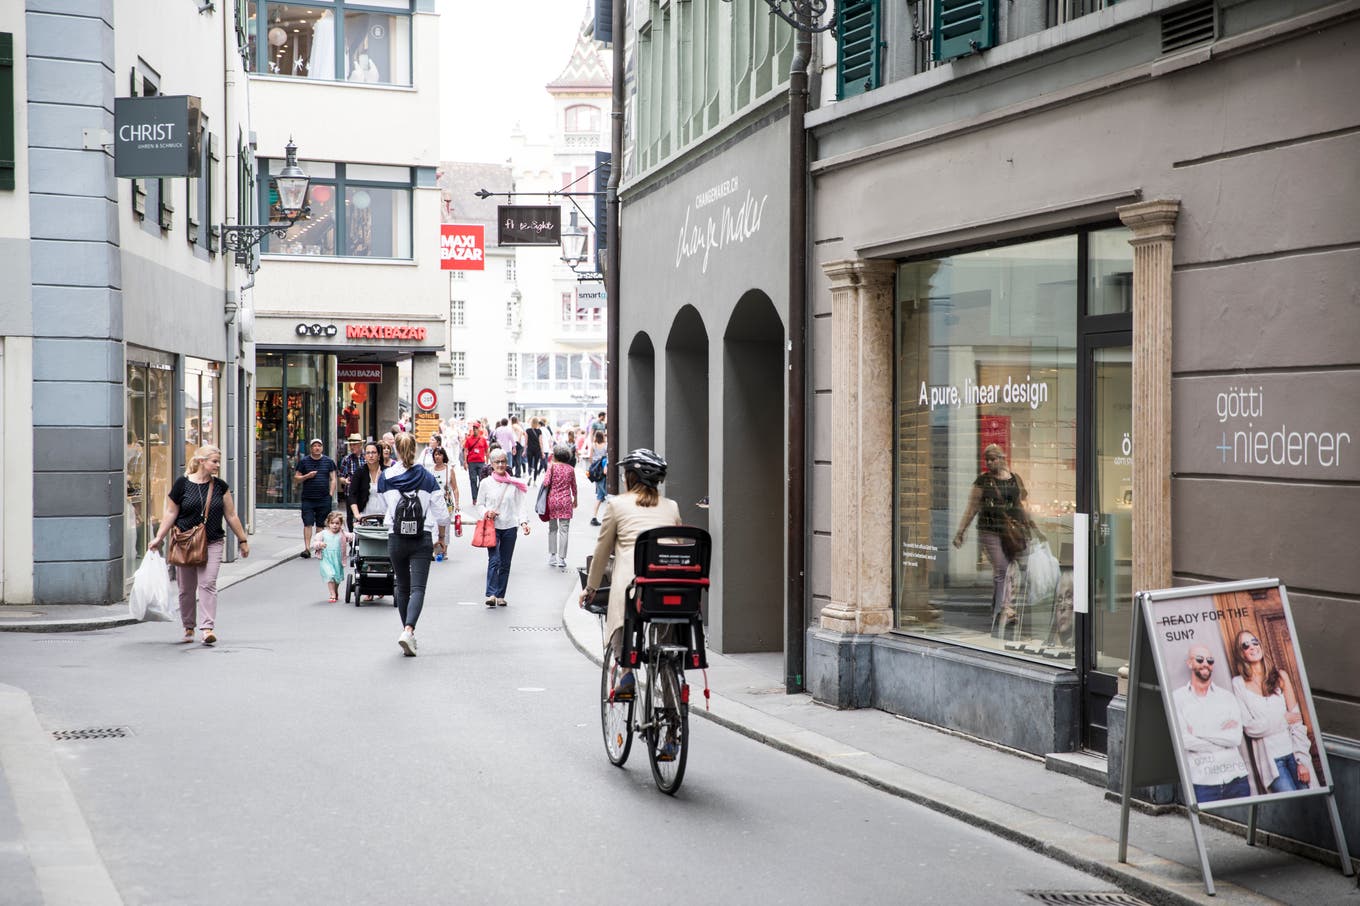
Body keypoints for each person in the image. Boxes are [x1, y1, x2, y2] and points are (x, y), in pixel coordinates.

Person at [580, 449, 682, 724]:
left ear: (631, 477)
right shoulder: (671, 506)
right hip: (670, 589)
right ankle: (673, 723)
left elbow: (602, 551)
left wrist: (590, 588)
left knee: (619, 607)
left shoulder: (616, 506)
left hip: (634, 589)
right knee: (665, 649)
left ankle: (625, 670)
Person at [148, 445, 250, 645]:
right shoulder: (182, 485)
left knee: (207, 583)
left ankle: (207, 628)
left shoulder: (220, 486)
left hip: (212, 541)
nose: (218, 465)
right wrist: (159, 537)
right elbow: (170, 513)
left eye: (218, 461)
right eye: (214, 461)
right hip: (184, 542)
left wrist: (243, 539)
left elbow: (231, 515)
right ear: (202, 461)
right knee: (186, 588)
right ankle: (188, 626)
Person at [376, 433, 449, 657]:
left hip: (396, 537)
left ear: (396, 450)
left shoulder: (385, 476)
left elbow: (382, 505)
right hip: (422, 537)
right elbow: (443, 515)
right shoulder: (427, 477)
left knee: (403, 587)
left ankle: (406, 631)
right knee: (418, 588)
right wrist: (442, 537)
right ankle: (408, 631)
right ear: (416, 450)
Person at [952, 444, 1030, 636]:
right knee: (1002, 568)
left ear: (1002, 458)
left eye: (993, 458)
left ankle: (998, 608)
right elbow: (972, 508)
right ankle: (1006, 609)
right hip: (989, 531)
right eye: (987, 459)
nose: (989, 462)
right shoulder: (983, 481)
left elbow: (1021, 504)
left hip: (1011, 531)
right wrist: (961, 531)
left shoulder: (1014, 479)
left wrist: (1030, 527)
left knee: (1011, 568)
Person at [1230, 628, 1313, 793]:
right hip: (1272, 763)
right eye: (1246, 645)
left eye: (1255, 642)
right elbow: (1250, 728)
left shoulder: (1280, 676)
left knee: (1310, 804)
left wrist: (1301, 759)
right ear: (1241, 654)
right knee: (1292, 805)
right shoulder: (1238, 683)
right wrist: (1283, 720)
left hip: (1294, 755)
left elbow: (1296, 720)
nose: (1252, 647)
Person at [1171, 644, 1252, 803]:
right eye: (1199, 659)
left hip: (1236, 780)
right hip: (1203, 782)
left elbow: (1235, 738)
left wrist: (1198, 734)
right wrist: (1221, 738)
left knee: (1242, 826)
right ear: (1189, 663)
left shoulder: (1227, 697)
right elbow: (1183, 740)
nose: (1205, 663)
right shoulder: (1177, 698)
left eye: (1210, 660)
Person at [475, 448, 530, 607]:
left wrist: (524, 522)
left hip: (510, 527)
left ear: (507, 463)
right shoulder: (485, 483)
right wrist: (487, 512)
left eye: (503, 461)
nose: (500, 464)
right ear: (491, 464)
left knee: (505, 562)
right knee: (495, 560)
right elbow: (479, 505)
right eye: (497, 462)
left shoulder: (514, 483)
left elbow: (521, 505)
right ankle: (491, 594)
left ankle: (500, 595)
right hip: (492, 527)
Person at [295, 438, 338, 559]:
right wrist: (307, 476)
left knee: (320, 524)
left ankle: (317, 548)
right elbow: (296, 478)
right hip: (308, 498)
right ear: (311, 448)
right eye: (314, 446)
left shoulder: (328, 461)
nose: (317, 448)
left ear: (322, 448)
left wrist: (330, 494)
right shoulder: (304, 462)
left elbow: (333, 478)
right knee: (307, 523)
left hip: (324, 498)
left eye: (319, 445)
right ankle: (307, 549)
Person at [543, 444, 579, 569]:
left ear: (555, 456)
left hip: (552, 501)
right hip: (565, 501)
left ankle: (552, 556)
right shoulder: (570, 469)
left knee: (552, 529)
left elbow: (546, 482)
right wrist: (575, 499)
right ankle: (562, 559)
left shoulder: (552, 467)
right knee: (564, 530)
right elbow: (574, 486)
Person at [311, 510, 352, 603]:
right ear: (328, 523)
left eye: (337, 523)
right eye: (332, 523)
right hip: (326, 558)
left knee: (337, 577)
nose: (334, 525)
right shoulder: (323, 533)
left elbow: (351, 537)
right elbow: (315, 543)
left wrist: (356, 531)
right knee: (330, 575)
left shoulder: (342, 534)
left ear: (341, 524)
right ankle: (332, 594)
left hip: (338, 559)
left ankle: (335, 591)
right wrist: (320, 544)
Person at [347, 441, 387, 523]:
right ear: (364, 456)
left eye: (373, 452)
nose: (371, 456)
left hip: (385, 517)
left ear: (379, 455)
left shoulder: (387, 471)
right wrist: (357, 515)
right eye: (368, 453)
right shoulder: (359, 472)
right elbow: (352, 495)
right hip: (365, 517)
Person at [337, 433, 365, 526]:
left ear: (360, 445)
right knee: (350, 518)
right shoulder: (346, 459)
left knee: (363, 516)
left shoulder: (366, 457)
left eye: (355, 444)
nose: (352, 447)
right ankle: (351, 538)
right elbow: (340, 477)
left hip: (364, 492)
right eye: (351, 445)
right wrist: (345, 481)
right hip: (350, 493)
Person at [428, 444, 462, 519]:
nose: (437, 456)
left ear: (444, 456)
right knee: (435, 528)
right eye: (436, 454)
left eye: (439, 454)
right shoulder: (430, 470)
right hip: (434, 503)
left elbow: (455, 488)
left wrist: (457, 504)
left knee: (446, 528)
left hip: (446, 503)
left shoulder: (449, 470)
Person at [463, 423, 489, 501]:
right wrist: (465, 462)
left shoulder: (483, 439)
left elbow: (487, 450)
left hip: (481, 462)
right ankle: (475, 498)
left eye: (476, 428)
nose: (475, 429)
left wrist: (487, 461)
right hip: (472, 462)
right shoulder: (468, 439)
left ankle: (480, 496)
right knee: (473, 480)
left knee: (482, 480)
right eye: (473, 428)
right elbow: (466, 451)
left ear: (479, 429)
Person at [588, 430, 608, 526]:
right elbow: (608, 456)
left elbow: (590, 457)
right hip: (603, 470)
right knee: (606, 494)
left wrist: (593, 466)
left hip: (596, 471)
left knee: (599, 496)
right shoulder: (606, 445)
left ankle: (594, 517)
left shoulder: (593, 445)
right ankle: (609, 519)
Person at [525, 417, 544, 483]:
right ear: (537, 423)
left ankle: (530, 475)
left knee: (529, 464)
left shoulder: (527, 430)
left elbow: (526, 442)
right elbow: (541, 442)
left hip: (530, 449)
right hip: (537, 450)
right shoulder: (539, 431)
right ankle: (534, 481)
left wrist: (524, 451)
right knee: (536, 465)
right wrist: (543, 452)